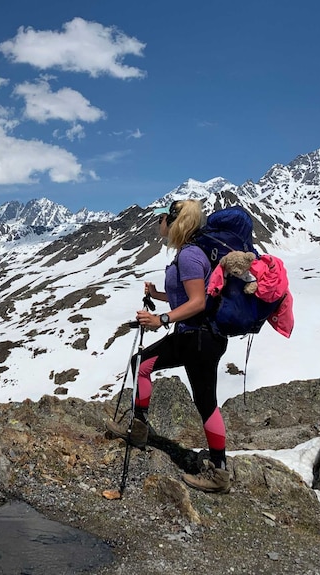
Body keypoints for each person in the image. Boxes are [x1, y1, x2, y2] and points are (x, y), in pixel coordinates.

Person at [106, 199, 231, 494]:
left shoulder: (188, 256)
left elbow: (198, 302)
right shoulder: (189, 254)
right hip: (198, 336)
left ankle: (219, 474)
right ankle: (140, 431)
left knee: (204, 401)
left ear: (175, 222)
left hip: (196, 338)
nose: (159, 223)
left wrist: (162, 319)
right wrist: (159, 295)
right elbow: (188, 297)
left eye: (163, 218)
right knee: (146, 365)